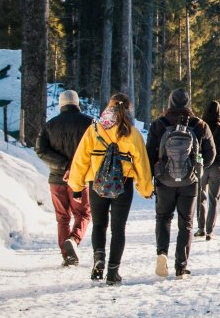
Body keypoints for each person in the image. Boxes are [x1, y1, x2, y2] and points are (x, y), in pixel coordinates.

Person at [67, 93, 153, 286]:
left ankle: (99, 259)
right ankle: (113, 272)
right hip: (123, 185)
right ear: (128, 109)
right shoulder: (132, 133)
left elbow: (80, 159)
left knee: (99, 225)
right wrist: (146, 189)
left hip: (97, 185)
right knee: (118, 229)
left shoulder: (94, 130)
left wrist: (77, 186)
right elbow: (142, 164)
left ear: (109, 107)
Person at [147, 89, 215, 279]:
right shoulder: (199, 125)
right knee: (186, 223)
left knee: (163, 218)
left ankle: (162, 253)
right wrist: (197, 168)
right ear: (188, 103)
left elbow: (149, 153)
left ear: (170, 103)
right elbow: (211, 154)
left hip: (164, 181)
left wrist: (156, 172)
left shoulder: (159, 124)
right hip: (190, 182)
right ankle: (181, 266)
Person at [35, 89, 94, 266]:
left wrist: (62, 165)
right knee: (83, 214)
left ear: (61, 105)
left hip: (56, 179)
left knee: (62, 218)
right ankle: (74, 240)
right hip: (80, 179)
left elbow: (40, 150)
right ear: (77, 103)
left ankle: (66, 255)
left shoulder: (49, 125)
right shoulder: (89, 123)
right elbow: (97, 149)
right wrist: (75, 166)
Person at [195, 100, 220, 241]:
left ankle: (200, 228)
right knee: (214, 200)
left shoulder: (200, 127)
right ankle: (209, 231)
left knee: (201, 197)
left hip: (202, 166)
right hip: (219, 168)